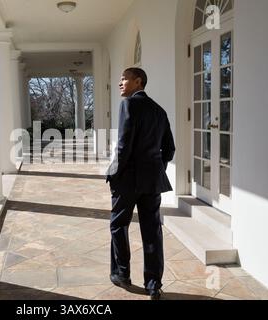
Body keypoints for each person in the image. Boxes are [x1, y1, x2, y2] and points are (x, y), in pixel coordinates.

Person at [106, 67, 175, 300]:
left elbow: (123, 146)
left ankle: (122, 274)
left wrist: (115, 173)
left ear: (138, 81)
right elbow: (170, 149)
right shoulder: (160, 111)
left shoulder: (128, 105)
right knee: (152, 231)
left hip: (128, 180)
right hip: (152, 181)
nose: (120, 83)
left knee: (118, 225)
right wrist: (156, 169)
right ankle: (154, 284)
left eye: (124, 79)